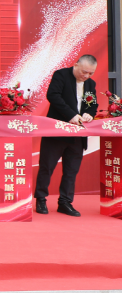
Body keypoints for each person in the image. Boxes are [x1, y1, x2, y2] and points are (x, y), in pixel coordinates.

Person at [36, 55, 98, 217]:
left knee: (71, 170)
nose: (86, 76)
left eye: (90, 73)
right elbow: (53, 96)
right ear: (76, 65)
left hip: (78, 134)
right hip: (56, 131)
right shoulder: (61, 75)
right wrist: (71, 115)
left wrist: (89, 114)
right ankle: (41, 199)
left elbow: (93, 104)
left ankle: (65, 202)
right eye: (84, 72)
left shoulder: (90, 84)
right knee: (47, 166)